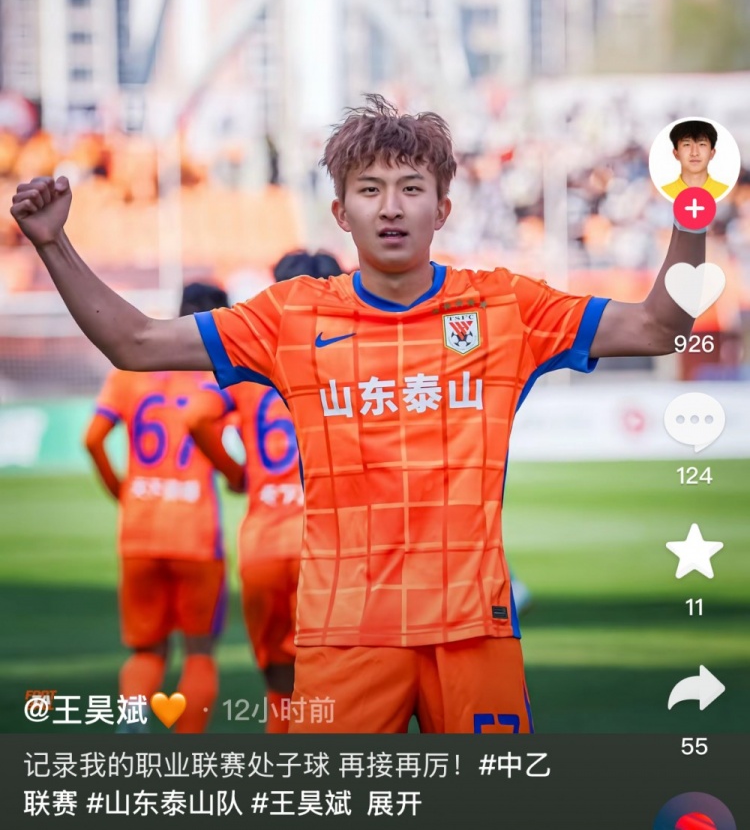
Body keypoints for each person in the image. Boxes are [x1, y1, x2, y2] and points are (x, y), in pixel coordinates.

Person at [11, 94, 705, 733]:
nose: (391, 208)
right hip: (346, 630)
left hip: (474, 627)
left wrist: (692, 209)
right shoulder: (292, 315)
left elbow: (658, 326)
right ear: (341, 212)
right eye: (370, 190)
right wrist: (52, 243)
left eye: (411, 189)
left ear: (443, 208)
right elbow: (135, 343)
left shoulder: (504, 307)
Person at [185, 250, 345, 733]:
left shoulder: (254, 358)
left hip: (264, 543)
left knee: (280, 691)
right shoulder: (350, 360)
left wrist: (236, 474)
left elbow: (196, 416)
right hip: (330, 546)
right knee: (340, 692)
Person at [83, 282, 234, 733]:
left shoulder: (131, 371)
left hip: (140, 529)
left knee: (146, 650)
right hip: (196, 532)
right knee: (200, 653)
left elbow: (92, 439)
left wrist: (124, 493)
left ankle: (132, 719)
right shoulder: (219, 375)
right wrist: (234, 474)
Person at [662, 120, 728, 199]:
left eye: (702, 144)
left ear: (712, 153)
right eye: (687, 144)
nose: (694, 153)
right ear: (676, 153)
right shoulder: (663, 195)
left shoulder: (726, 194)